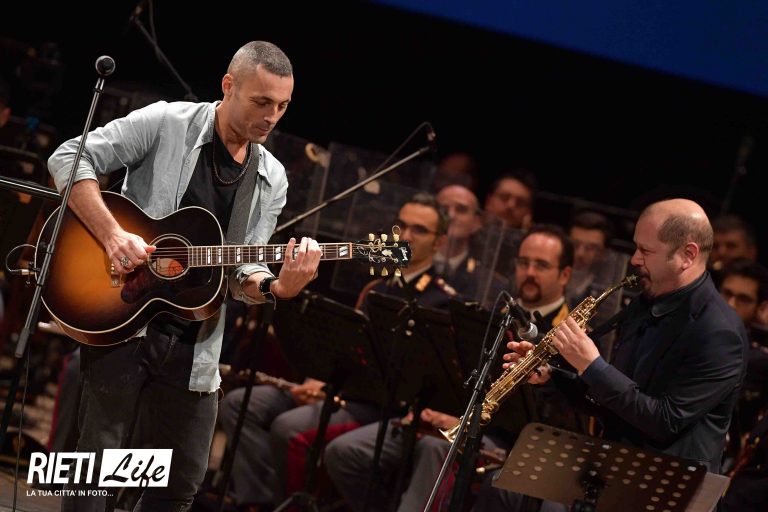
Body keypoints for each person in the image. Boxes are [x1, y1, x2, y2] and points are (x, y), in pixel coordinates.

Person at [47, 41, 322, 511]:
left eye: (282, 106)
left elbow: (242, 269)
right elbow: (69, 157)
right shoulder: (166, 123)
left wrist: (276, 287)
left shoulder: (272, 177)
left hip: (196, 345)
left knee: (177, 487)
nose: (271, 117)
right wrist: (112, 235)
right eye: (261, 102)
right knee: (98, 471)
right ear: (228, 86)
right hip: (124, 319)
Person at [487, 198, 748, 511]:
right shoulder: (644, 304)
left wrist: (592, 365)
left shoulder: (720, 333)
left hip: (667, 496)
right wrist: (551, 377)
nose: (635, 259)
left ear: (687, 255)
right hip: (614, 482)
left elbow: (664, 420)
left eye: (646, 251)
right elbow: (614, 401)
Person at [217, 193, 458, 510]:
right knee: (240, 404)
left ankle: (289, 506)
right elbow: (348, 347)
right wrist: (320, 376)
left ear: (439, 242)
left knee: (288, 428)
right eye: (402, 225)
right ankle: (257, 501)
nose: (406, 235)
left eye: (420, 230)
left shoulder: (442, 301)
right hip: (343, 387)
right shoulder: (376, 288)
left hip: (379, 405)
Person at [325, 225, 576, 512]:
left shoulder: (572, 336)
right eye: (523, 262)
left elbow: (552, 416)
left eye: (541, 265)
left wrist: (462, 417)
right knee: (345, 452)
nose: (529, 272)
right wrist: (440, 407)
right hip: (453, 418)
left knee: (435, 448)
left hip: (510, 440)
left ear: (565, 275)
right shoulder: (495, 315)